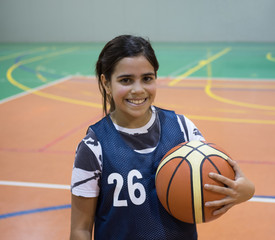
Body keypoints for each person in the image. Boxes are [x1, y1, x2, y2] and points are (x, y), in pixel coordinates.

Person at [70, 35, 255, 240]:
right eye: (126, 80)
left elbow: (223, 181)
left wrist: (245, 190)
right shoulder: (94, 145)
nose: (138, 89)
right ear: (106, 83)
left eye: (147, 78)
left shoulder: (182, 128)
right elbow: (81, 229)